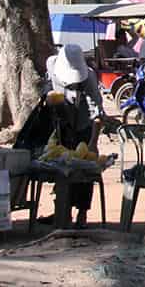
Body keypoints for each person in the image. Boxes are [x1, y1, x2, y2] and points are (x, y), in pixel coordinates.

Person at [45, 43, 103, 228]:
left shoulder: (89, 77)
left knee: (83, 173)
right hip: (61, 126)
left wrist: (93, 141)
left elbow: (97, 112)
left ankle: (82, 214)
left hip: (83, 125)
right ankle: (62, 210)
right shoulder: (52, 65)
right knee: (61, 170)